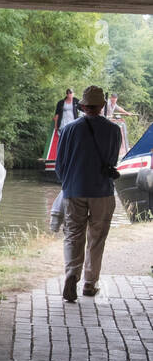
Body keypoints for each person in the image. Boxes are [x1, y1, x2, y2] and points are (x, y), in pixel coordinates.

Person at [56, 85, 121, 302]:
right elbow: (111, 161)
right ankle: (90, 284)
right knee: (97, 238)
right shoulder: (113, 130)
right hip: (102, 191)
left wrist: (68, 184)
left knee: (74, 235)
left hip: (74, 190)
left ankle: (71, 274)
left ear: (82, 106)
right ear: (103, 106)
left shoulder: (68, 130)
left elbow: (59, 165)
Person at [104, 92, 133, 157]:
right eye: (113, 98)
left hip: (109, 120)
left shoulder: (114, 104)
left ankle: (119, 147)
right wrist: (110, 118)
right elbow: (102, 113)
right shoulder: (107, 103)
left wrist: (126, 113)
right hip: (104, 120)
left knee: (120, 123)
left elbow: (119, 109)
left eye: (115, 99)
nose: (114, 100)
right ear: (111, 98)